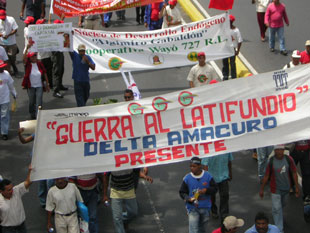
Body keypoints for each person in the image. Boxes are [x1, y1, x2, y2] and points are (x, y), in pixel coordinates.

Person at [259, 145, 299, 233]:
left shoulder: (289, 159)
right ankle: (279, 229)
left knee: (282, 204)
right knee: (277, 208)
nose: (279, 152)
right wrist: (262, 189)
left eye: (281, 150)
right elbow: (266, 176)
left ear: (284, 150)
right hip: (275, 189)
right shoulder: (271, 161)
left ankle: (277, 213)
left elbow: (294, 172)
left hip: (286, 188)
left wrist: (296, 187)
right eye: (278, 150)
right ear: (275, 150)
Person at [103, 169, 152, 233]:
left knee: (133, 212)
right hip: (116, 191)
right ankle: (119, 222)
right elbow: (105, 177)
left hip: (129, 189)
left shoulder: (129, 161)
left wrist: (144, 176)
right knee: (117, 218)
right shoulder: (111, 163)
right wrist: (104, 195)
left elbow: (136, 171)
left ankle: (123, 220)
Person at [179, 157, 217, 233]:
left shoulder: (208, 176)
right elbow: (182, 192)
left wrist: (206, 190)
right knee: (194, 230)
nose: (192, 168)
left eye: (194, 166)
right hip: (192, 208)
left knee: (202, 229)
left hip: (205, 207)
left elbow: (215, 188)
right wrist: (188, 198)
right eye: (191, 166)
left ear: (200, 166)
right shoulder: (187, 178)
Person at [0, 166, 32, 233]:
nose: (11, 191)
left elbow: (28, 182)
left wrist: (30, 171)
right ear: (1, 191)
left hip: (22, 227)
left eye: (11, 188)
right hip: (7, 230)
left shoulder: (16, 190)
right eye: (9, 190)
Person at [202, 153, 233, 221]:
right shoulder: (209, 149)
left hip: (224, 176)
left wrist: (230, 173)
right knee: (212, 196)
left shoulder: (226, 149)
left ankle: (224, 215)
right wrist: (206, 179)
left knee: (225, 195)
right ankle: (213, 209)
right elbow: (205, 165)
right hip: (212, 178)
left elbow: (229, 161)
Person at [22, 46, 50, 120]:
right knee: (31, 101)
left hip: (39, 86)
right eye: (32, 56)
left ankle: (38, 115)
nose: (34, 57)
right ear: (30, 58)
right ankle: (32, 113)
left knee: (39, 101)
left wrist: (47, 84)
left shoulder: (39, 63)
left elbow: (44, 73)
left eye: (35, 56)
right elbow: (23, 59)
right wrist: (27, 49)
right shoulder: (27, 64)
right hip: (30, 86)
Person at [222, 15, 242, 80]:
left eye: (230, 21)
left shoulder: (236, 30)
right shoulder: (224, 29)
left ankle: (234, 76)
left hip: (232, 49)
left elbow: (240, 41)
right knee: (225, 63)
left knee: (232, 63)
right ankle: (225, 75)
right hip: (225, 48)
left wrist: (238, 50)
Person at [51, 19, 67, 98]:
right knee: (56, 71)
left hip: (60, 52)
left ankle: (60, 85)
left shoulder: (60, 33)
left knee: (61, 69)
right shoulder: (53, 35)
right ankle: (55, 90)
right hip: (56, 54)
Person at [0, 60, 16, 140]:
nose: (2, 68)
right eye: (1, 67)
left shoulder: (6, 74)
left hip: (5, 99)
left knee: (4, 116)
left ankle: (4, 133)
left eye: (3, 66)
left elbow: (10, 85)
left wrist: (14, 93)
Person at [0, 10, 19, 76]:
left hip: (11, 43)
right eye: (1, 18)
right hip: (2, 43)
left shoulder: (11, 19)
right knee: (4, 59)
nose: (3, 19)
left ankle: (15, 68)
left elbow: (15, 29)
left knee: (12, 58)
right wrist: (1, 35)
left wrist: (8, 35)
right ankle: (7, 72)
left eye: (3, 17)